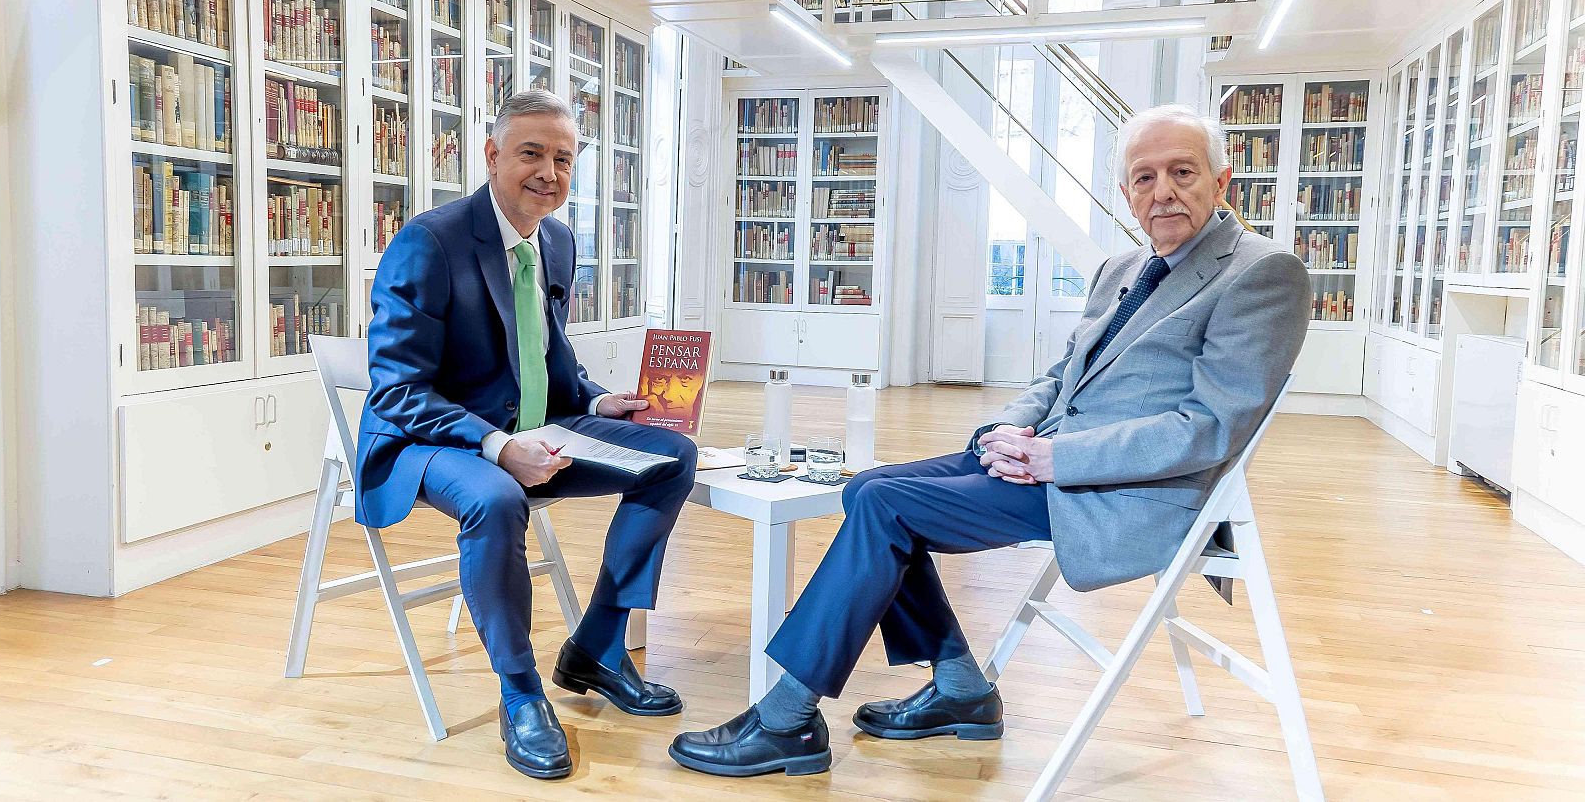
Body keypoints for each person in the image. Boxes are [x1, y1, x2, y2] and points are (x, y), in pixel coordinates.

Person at [668, 104, 1311, 778]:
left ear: (1223, 181)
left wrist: (1054, 457)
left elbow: (1207, 427)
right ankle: (962, 691)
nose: (1163, 192)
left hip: (1130, 491)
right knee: (867, 486)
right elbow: (1064, 374)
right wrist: (1002, 431)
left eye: (1182, 173)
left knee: (886, 507)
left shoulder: (1262, 273)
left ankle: (786, 721)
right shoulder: (1120, 267)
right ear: (1125, 194)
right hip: (1048, 461)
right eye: (1144, 178)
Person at [359, 90, 696, 781]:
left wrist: (602, 400)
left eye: (564, 159)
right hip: (431, 441)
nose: (549, 172)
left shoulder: (560, 241)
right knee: (497, 499)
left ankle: (597, 648)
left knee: (670, 456)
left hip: (535, 430)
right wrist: (496, 446)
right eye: (532, 154)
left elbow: (549, 357)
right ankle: (521, 693)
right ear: (492, 156)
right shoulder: (428, 243)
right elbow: (397, 392)